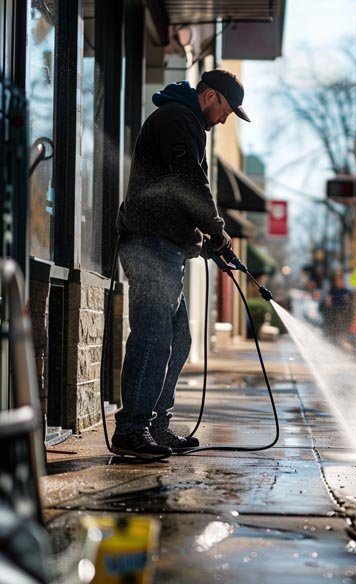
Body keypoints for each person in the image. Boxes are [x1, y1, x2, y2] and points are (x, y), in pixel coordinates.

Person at [110, 69, 251, 460]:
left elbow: (177, 194)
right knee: (154, 336)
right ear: (209, 96)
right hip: (150, 243)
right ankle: (132, 429)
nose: (225, 119)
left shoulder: (187, 124)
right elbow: (188, 180)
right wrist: (218, 232)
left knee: (179, 338)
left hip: (165, 245)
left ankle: (154, 424)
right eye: (226, 109)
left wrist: (204, 242)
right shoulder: (177, 119)